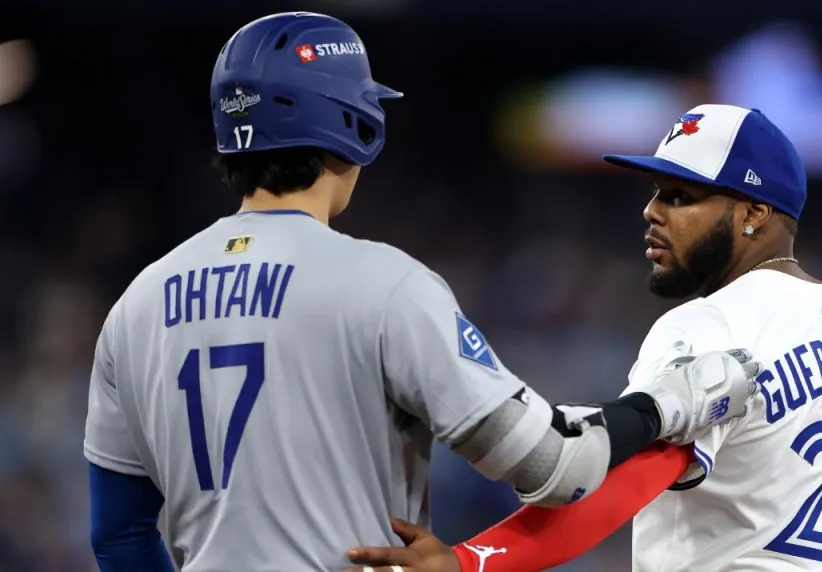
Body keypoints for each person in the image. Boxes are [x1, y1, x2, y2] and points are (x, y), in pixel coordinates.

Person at [82, 13, 764, 572]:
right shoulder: (384, 284)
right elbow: (561, 469)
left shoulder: (136, 304)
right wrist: (675, 401)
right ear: (352, 128)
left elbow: (119, 538)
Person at [344, 104, 822, 572]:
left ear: (755, 213)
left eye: (681, 196)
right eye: (656, 192)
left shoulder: (710, 325)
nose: (652, 211)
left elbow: (616, 484)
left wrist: (470, 561)